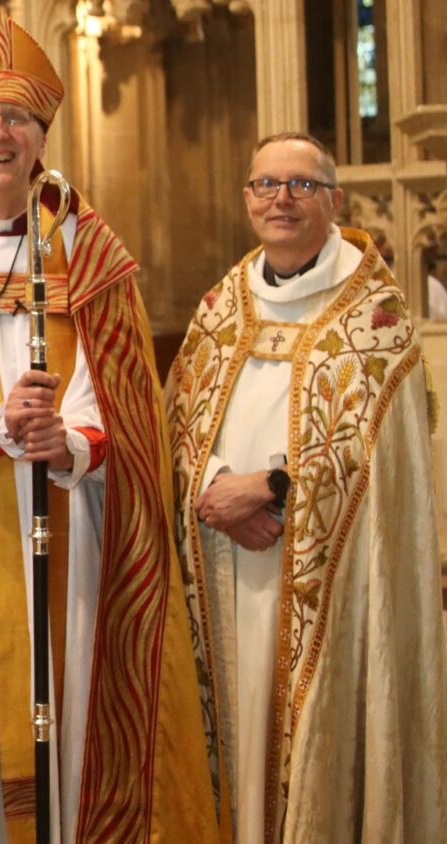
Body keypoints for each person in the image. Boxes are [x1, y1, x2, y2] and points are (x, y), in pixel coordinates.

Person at [0, 10, 219, 842]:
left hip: (77, 537)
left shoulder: (93, 256)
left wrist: (75, 443)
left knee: (78, 718)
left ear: (42, 136)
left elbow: (128, 407)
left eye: (17, 118)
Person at [166, 132, 446, 842]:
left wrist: (277, 491)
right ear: (246, 199)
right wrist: (215, 485)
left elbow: (389, 459)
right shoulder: (219, 308)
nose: (280, 200)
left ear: (335, 201)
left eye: (300, 186)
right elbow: (175, 424)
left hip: (332, 586)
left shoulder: (374, 318)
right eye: (265, 185)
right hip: (223, 569)